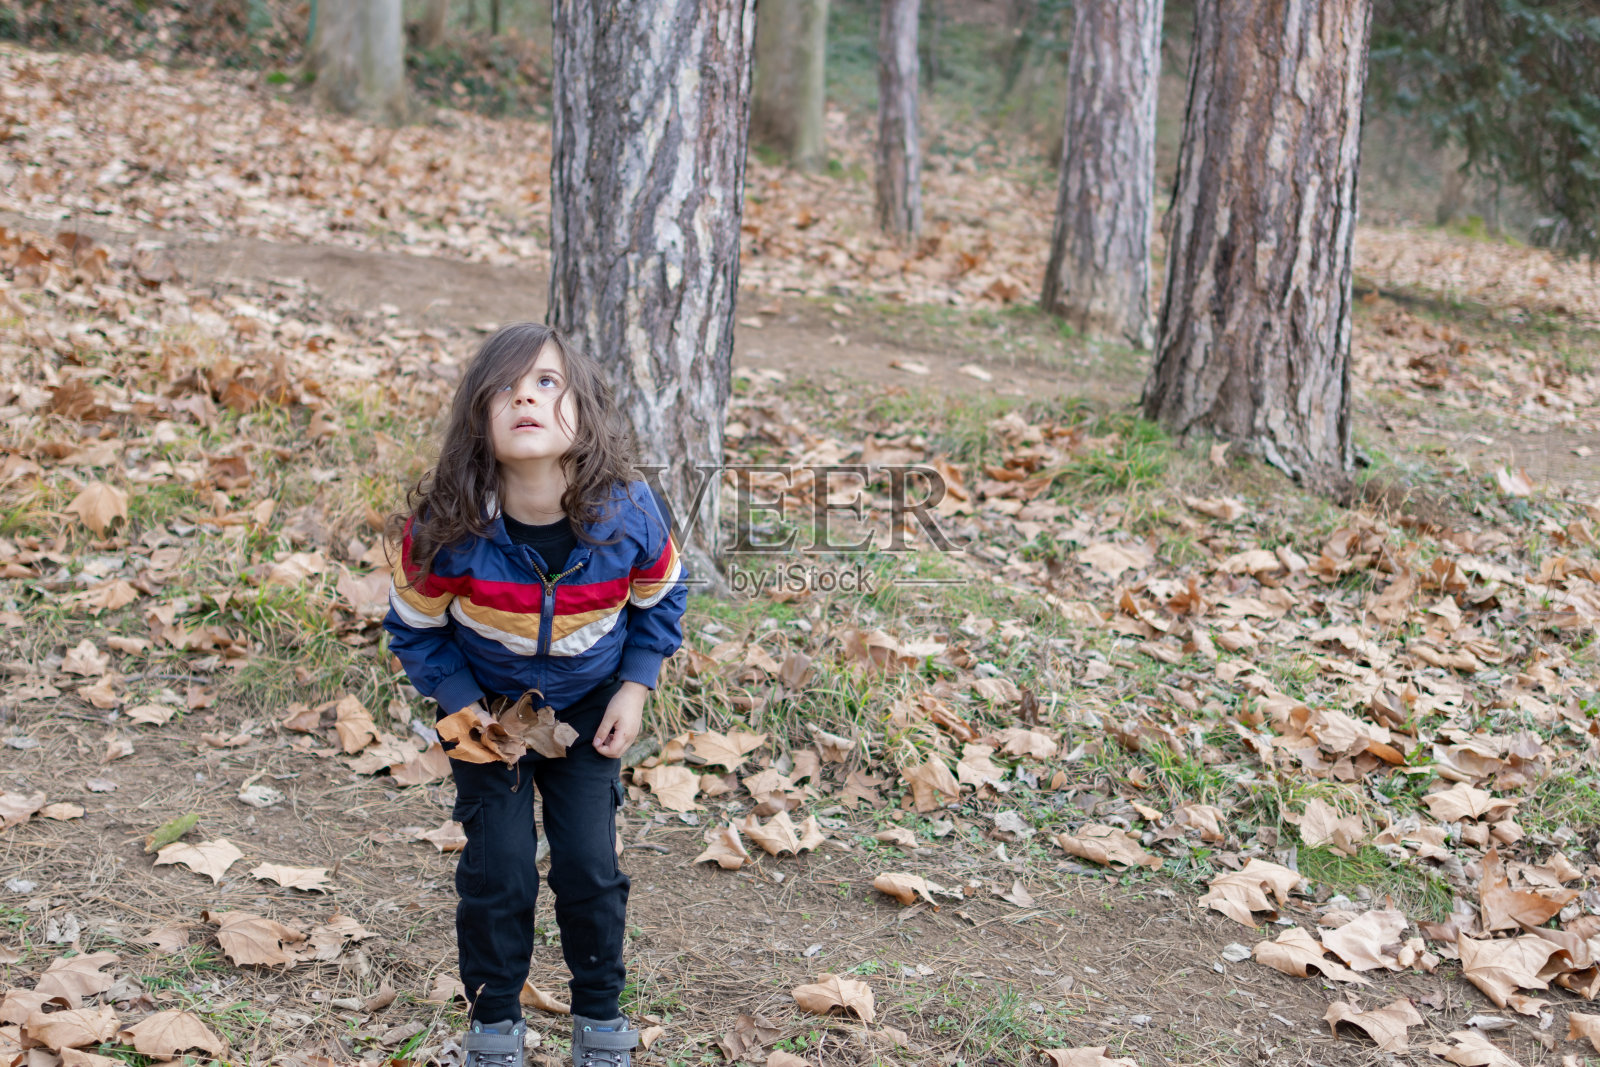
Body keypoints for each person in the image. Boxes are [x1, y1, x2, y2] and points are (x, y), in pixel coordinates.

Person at [383, 322, 687, 1067]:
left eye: (546, 382)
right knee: (501, 867)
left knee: (589, 863)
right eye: (505, 387)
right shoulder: (446, 529)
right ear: (478, 420)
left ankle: (601, 1018)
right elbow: (414, 631)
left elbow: (663, 602)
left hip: (589, 711)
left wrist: (636, 688)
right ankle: (493, 1024)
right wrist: (459, 706)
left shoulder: (631, 515)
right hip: (483, 711)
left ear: (581, 410)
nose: (525, 395)